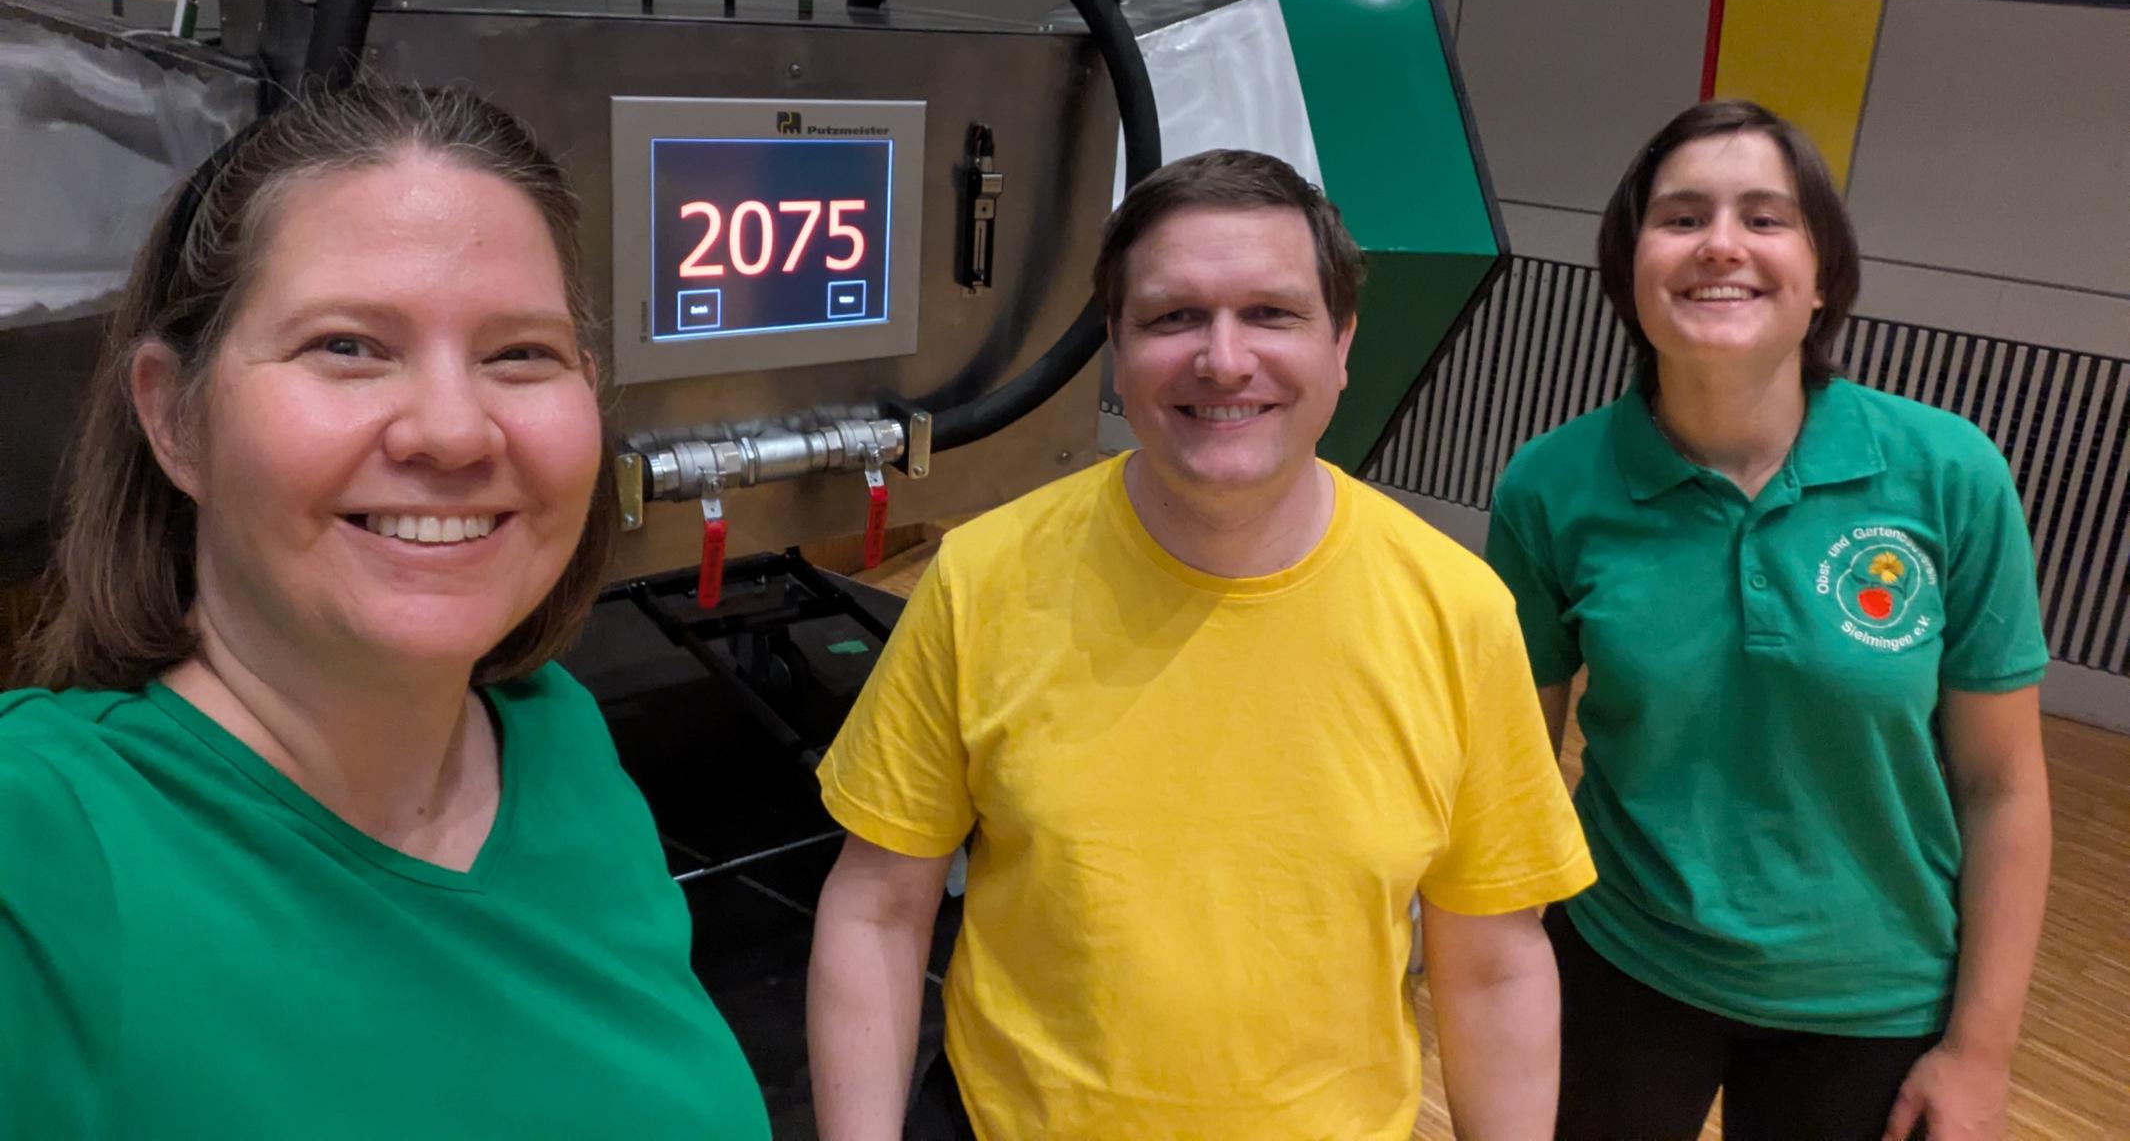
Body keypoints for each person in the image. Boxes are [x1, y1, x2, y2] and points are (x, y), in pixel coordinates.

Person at [1, 81, 771, 1138]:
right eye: (348, 346)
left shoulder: (556, 739)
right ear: (175, 418)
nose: (453, 432)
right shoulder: (40, 847)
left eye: (520, 353)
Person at [806, 149, 1594, 1140]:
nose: (1223, 359)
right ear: (1115, 343)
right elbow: (878, 908)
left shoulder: (1458, 613)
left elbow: (1495, 965)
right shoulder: (983, 578)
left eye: (1272, 313)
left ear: (1342, 342)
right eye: (1174, 316)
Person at [1486, 100, 2052, 1141]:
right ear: (1629, 267)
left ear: (1822, 274)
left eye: (1764, 217)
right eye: (1682, 217)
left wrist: (1982, 1049)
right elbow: (1509, 778)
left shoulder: (1948, 473)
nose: (1720, 245)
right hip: (1623, 963)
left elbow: (2001, 783)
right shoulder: (1551, 486)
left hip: (1875, 1001)